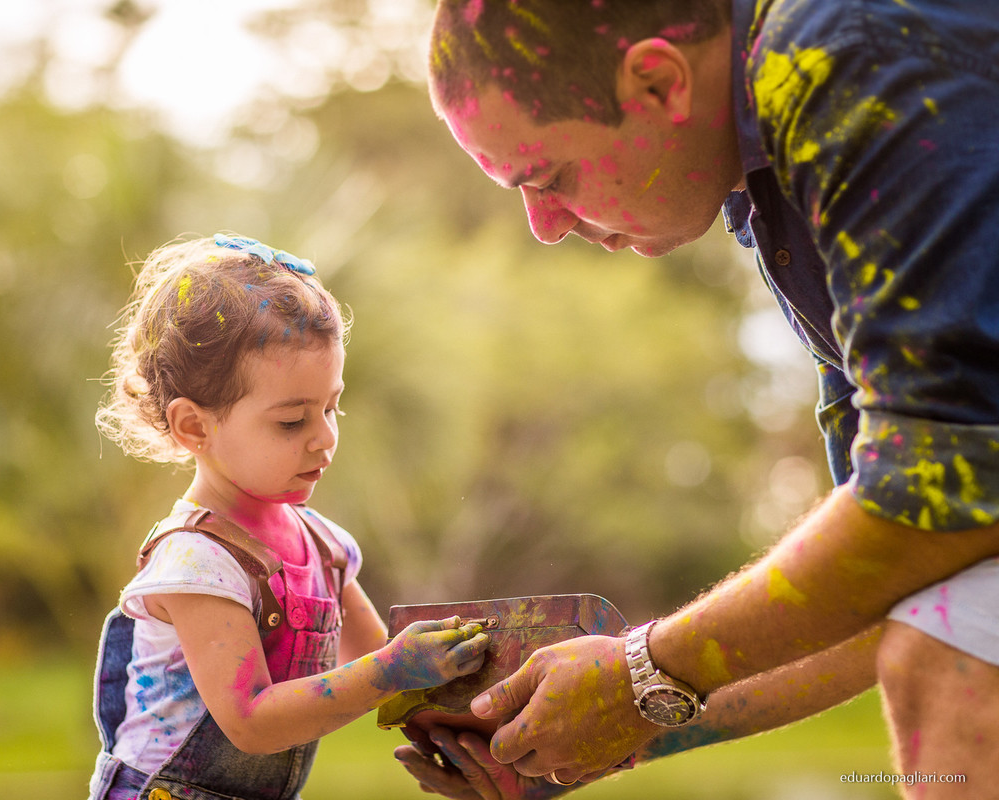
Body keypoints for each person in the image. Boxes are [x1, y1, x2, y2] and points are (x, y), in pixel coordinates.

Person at [397, 1, 999, 797]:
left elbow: (943, 498)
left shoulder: (845, 51)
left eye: (547, 177)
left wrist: (641, 673)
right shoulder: (764, 176)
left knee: (953, 666)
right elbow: (904, 560)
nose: (542, 224)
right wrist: (621, 722)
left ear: (656, 81)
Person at [86, 234, 491, 800]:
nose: (325, 438)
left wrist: (478, 729)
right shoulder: (198, 560)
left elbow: (383, 669)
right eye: (292, 421)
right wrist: (395, 670)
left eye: (332, 406)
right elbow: (250, 720)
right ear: (195, 427)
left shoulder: (325, 548)